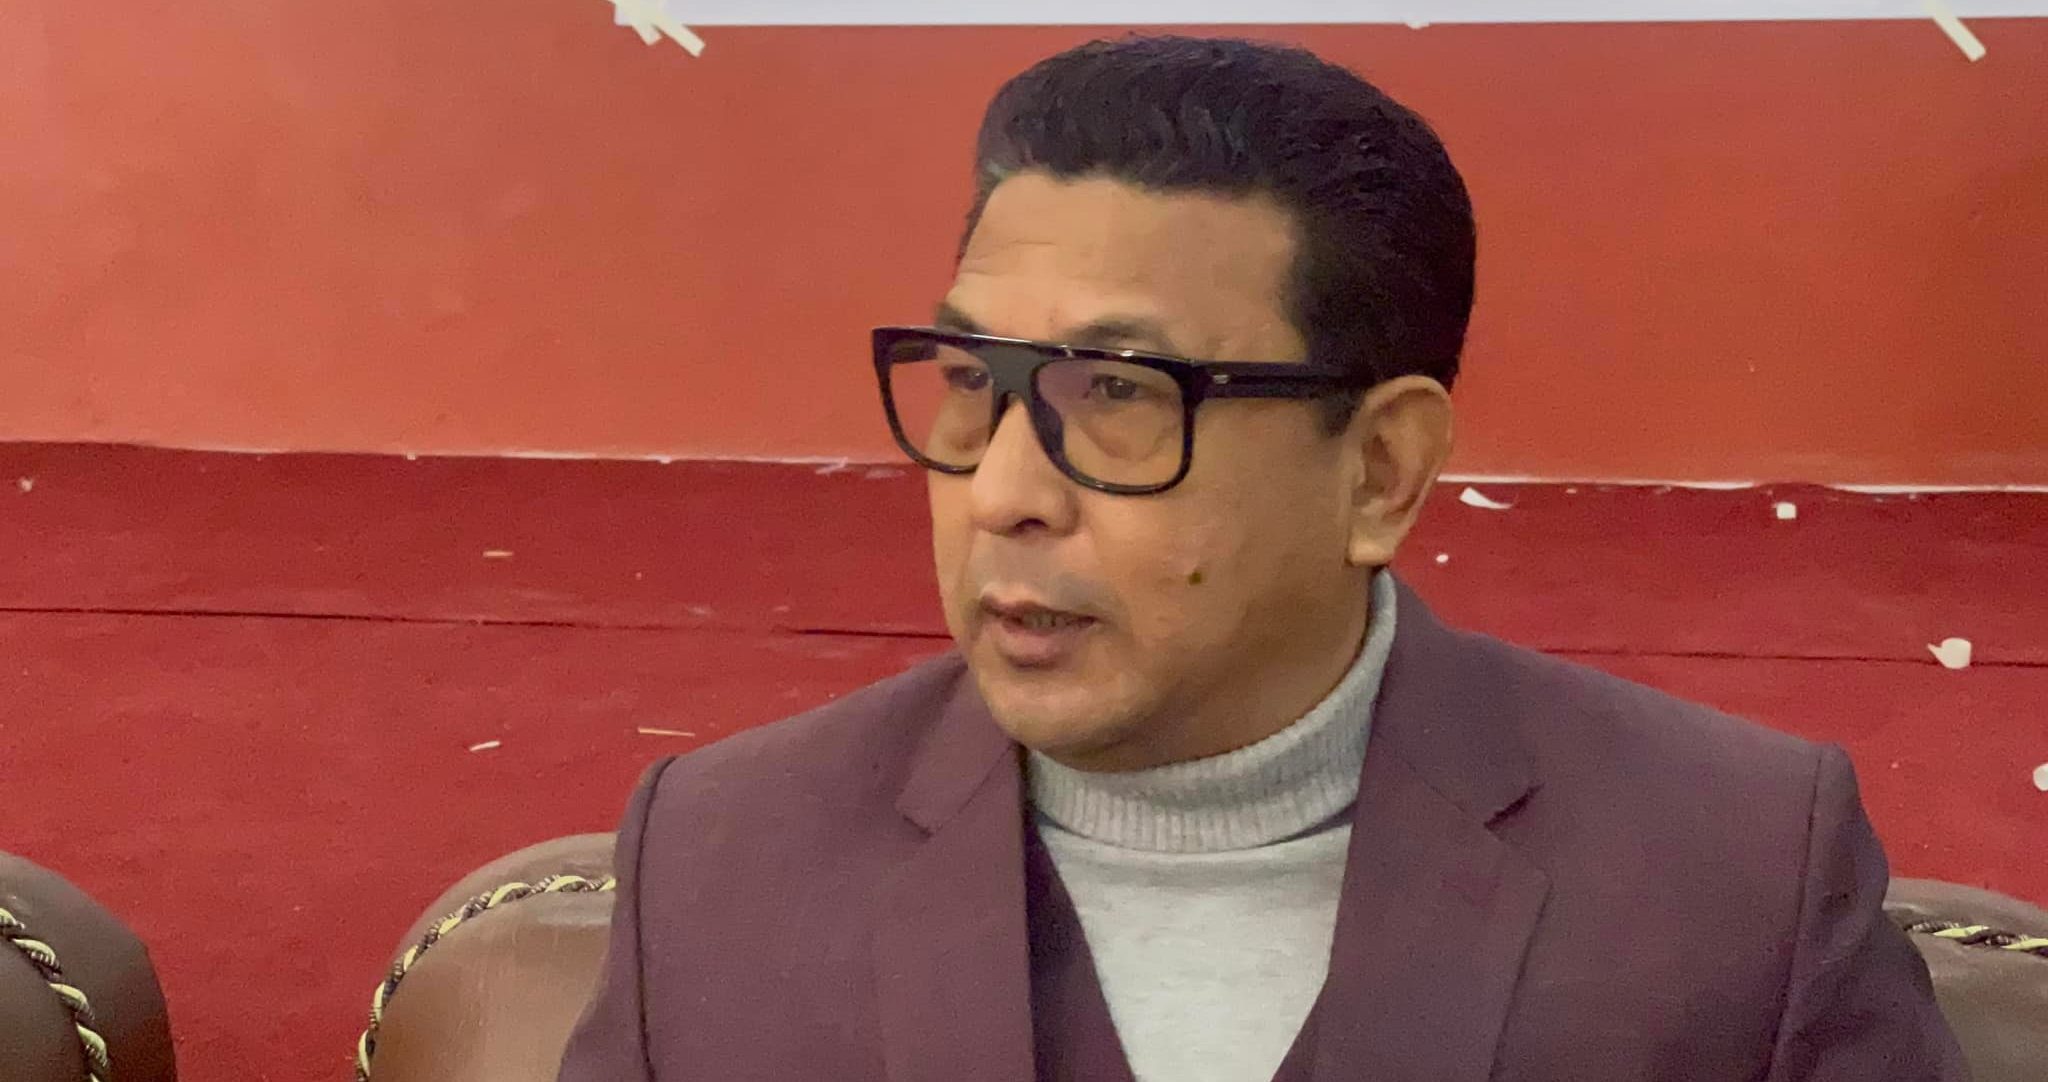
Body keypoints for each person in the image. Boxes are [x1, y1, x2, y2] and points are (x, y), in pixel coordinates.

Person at [557, 35, 1964, 1081]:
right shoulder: (720, 863)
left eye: (1120, 393)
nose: (1002, 492)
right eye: (975, 379)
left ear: (1380, 471)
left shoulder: (1734, 875)